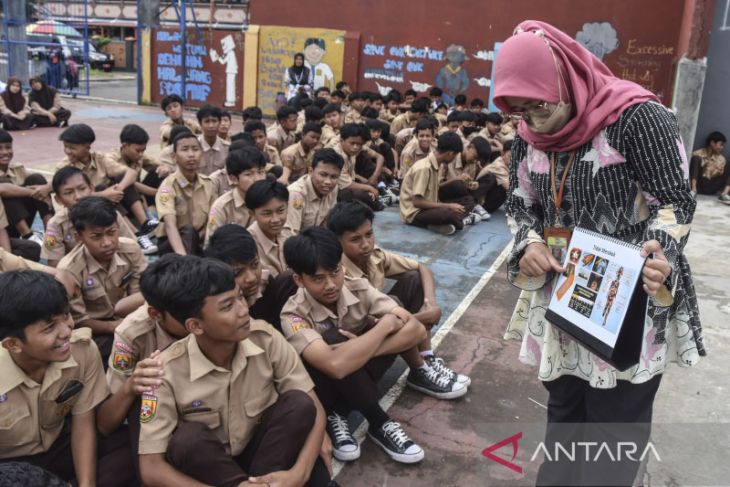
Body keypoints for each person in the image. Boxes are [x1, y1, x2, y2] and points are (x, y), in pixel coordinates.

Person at [494, 20, 701, 487]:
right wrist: (527, 241)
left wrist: (661, 250)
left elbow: (675, 201)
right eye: (519, 111)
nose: (531, 120)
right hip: (565, 291)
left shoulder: (637, 119)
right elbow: (518, 203)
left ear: (566, 79)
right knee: (565, 407)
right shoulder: (527, 137)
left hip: (628, 294)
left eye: (539, 105)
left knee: (615, 422)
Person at [136, 257, 333, 487]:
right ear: (195, 326)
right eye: (227, 306)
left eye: (240, 297)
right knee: (188, 440)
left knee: (299, 404)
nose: (243, 310)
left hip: (267, 456)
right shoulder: (163, 371)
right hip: (211, 471)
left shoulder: (266, 339)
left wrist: (299, 473)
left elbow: (314, 409)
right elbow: (150, 467)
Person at [280, 228, 467, 464]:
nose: (330, 284)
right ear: (299, 279)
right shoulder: (293, 314)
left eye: (335, 272)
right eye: (318, 279)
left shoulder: (357, 287)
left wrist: (363, 347)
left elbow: (416, 330)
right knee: (337, 344)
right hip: (323, 386)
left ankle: (339, 414)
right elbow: (335, 366)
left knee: (354, 347)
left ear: (342, 266)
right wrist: (382, 328)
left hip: (358, 370)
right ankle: (379, 422)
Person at [0, 270, 136, 486]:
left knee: (133, 446)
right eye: (49, 328)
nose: (67, 330)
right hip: (9, 465)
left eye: (66, 315)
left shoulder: (81, 350)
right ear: (13, 344)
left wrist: (86, 484)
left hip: (59, 446)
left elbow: (84, 422)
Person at [326, 200, 470, 387]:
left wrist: (430, 303)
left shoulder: (373, 256)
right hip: (357, 339)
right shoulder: (339, 275)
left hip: (383, 325)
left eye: (369, 234)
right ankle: (419, 370)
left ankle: (427, 357)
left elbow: (422, 268)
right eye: (355, 239)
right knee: (392, 306)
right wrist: (423, 317)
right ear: (338, 242)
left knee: (413, 278)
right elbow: (378, 321)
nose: (366, 244)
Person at [96, 254, 192, 469]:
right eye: (185, 313)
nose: (196, 319)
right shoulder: (132, 333)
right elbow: (104, 424)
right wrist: (131, 387)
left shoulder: (213, 313)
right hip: (160, 422)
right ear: (155, 314)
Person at [57, 196, 147, 360]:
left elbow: (140, 293)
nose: (107, 242)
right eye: (96, 236)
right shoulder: (69, 270)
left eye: (111, 233)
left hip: (130, 317)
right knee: (93, 353)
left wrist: (132, 324)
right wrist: (116, 327)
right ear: (79, 237)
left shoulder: (131, 249)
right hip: (97, 331)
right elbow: (80, 321)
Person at [205, 224, 298, 330]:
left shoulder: (276, 288)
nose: (251, 278)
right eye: (238, 273)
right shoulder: (215, 308)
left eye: (254, 265)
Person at [56, 124, 149, 228]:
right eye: (65, 147)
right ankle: (134, 232)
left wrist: (118, 189)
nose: (67, 151)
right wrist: (103, 194)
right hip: (84, 209)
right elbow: (72, 198)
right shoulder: (64, 168)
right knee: (102, 188)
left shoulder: (100, 159)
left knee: (122, 178)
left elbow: (131, 173)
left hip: (110, 205)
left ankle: (145, 223)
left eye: (72, 148)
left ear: (87, 146)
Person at [43, 167, 140, 266]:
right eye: (68, 192)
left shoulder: (111, 214)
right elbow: (55, 264)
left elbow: (132, 247)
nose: (78, 196)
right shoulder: (54, 225)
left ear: (92, 188)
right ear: (58, 199)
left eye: (82, 189)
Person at [399, 132, 478, 235]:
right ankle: (457, 221)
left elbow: (435, 189)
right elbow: (417, 202)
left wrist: (447, 204)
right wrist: (447, 206)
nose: (454, 158)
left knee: (469, 201)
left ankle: (441, 223)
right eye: (454, 155)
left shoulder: (437, 164)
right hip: (415, 213)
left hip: (430, 205)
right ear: (450, 153)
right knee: (449, 213)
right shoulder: (424, 168)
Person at [156, 131, 216, 256]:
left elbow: (212, 218)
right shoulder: (168, 186)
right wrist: (184, 258)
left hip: (198, 239)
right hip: (172, 244)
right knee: (188, 232)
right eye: (184, 149)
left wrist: (201, 237)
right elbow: (170, 225)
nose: (191, 155)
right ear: (174, 157)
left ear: (201, 154)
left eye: (195, 149)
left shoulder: (209, 184)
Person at [205, 145, 266, 247]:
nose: (257, 179)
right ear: (233, 178)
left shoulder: (270, 200)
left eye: (261, 172)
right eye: (249, 174)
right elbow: (211, 246)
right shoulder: (222, 207)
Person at [107, 124, 171, 215]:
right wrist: (159, 193)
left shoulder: (139, 157)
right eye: (138, 151)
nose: (141, 154)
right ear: (125, 146)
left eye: (143, 151)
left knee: (158, 172)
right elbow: (132, 184)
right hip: (122, 198)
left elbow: (159, 165)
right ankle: (147, 215)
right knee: (127, 182)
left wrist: (164, 168)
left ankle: (163, 207)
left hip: (141, 195)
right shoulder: (111, 159)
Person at [0, 129, 52, 241]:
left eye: (8, 147)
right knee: (7, 190)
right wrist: (34, 192)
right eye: (0, 149)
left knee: (36, 178)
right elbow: (3, 189)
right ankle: (28, 236)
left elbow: (41, 182)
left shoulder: (17, 170)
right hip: (3, 229)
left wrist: (45, 189)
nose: (5, 152)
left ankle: (51, 234)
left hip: (19, 221)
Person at [285, 147, 342, 236]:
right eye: (323, 175)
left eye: (334, 177)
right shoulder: (296, 194)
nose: (328, 182)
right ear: (310, 171)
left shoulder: (333, 188)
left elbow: (327, 223)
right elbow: (290, 235)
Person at [245, 178, 291, 278]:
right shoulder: (248, 246)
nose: (276, 219)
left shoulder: (288, 233)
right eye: (267, 214)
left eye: (280, 211)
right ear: (252, 214)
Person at [690, 131, 730, 203]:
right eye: (720, 145)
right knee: (696, 158)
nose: (722, 147)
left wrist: (717, 172)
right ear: (712, 143)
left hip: (712, 186)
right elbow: (692, 169)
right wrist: (703, 165)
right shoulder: (698, 153)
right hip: (699, 184)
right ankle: (693, 190)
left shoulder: (721, 159)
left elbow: (717, 177)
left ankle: (724, 194)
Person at [475, 138, 510, 212]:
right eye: (510, 156)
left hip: (488, 196)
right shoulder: (498, 165)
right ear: (502, 154)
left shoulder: (508, 164)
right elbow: (509, 188)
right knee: (504, 188)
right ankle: (482, 208)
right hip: (480, 200)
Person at [196, 104, 230, 176]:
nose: (211, 125)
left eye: (214, 121)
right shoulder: (193, 147)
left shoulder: (228, 148)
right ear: (200, 123)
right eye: (207, 121)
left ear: (220, 122)